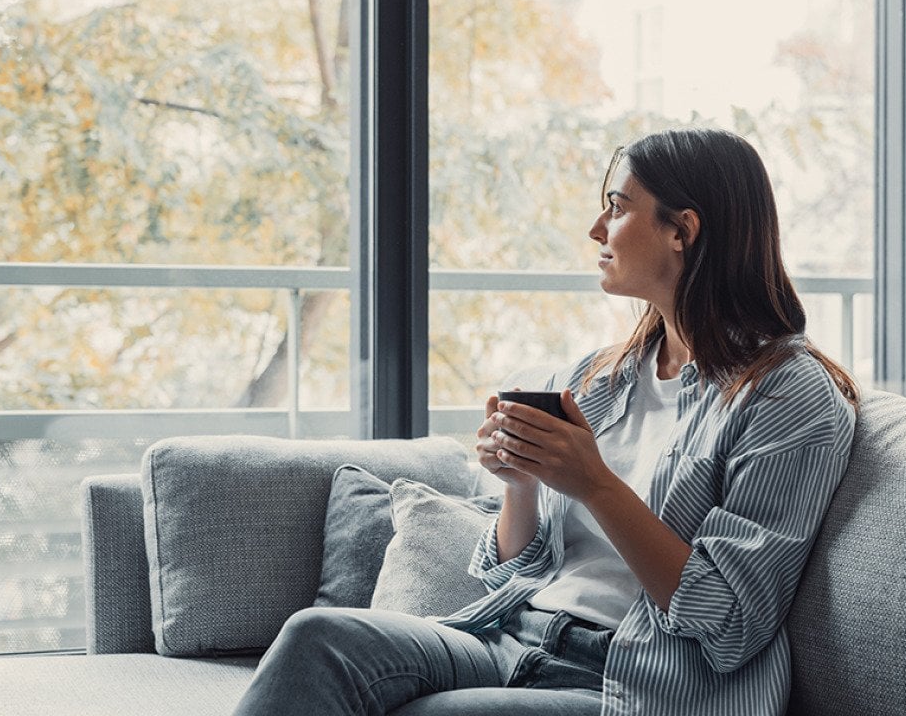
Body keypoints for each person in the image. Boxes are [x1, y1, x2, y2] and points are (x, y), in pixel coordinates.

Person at [231, 127, 859, 716]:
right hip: (508, 635)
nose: (596, 228)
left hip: (628, 678)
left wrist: (596, 484)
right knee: (318, 638)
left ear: (682, 230)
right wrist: (521, 484)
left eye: (617, 206)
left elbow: (729, 619)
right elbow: (515, 568)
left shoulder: (786, 397)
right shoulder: (602, 376)